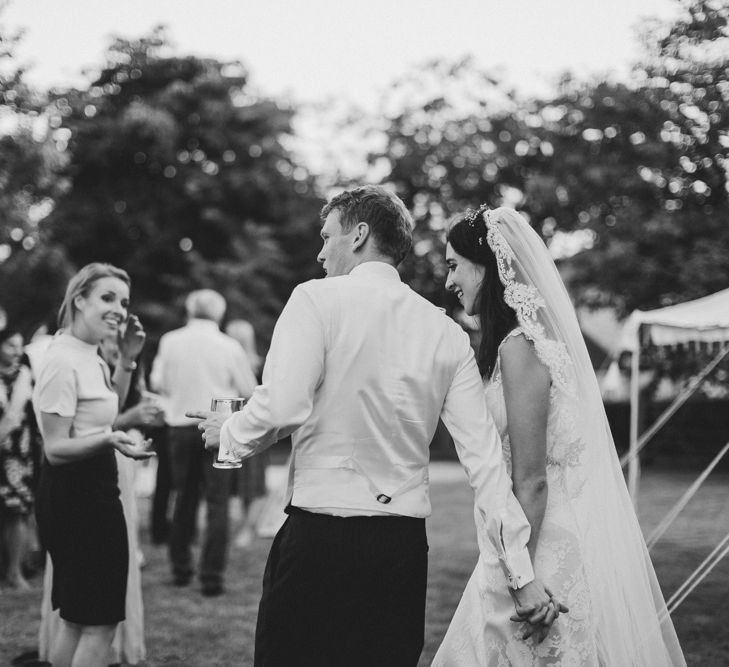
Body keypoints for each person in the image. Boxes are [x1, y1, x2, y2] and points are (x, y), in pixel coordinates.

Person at [190, 185, 560, 667]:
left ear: (359, 234)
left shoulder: (314, 299)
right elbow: (487, 464)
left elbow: (282, 407)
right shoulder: (445, 332)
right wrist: (521, 573)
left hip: (319, 539)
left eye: (327, 237)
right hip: (400, 552)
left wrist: (231, 432)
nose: (320, 252)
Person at [433, 205, 685, 665]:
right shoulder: (534, 343)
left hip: (542, 539)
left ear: (488, 266)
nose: (449, 282)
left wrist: (520, 576)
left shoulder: (520, 348)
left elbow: (531, 478)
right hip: (560, 525)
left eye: (454, 266)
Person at [33, 262, 154, 667]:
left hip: (96, 494)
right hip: (76, 499)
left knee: (79, 620)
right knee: (99, 623)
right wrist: (110, 440)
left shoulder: (91, 355)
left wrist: (128, 361)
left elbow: (108, 410)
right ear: (79, 299)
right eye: (107, 298)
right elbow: (54, 449)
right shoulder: (61, 360)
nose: (119, 308)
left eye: (124, 301)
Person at [150, 289, 257, 596]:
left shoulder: (170, 341)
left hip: (181, 427)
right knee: (218, 501)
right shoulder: (229, 345)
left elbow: (160, 384)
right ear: (219, 314)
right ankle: (211, 577)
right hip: (220, 426)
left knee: (183, 497)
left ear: (189, 309)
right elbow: (249, 388)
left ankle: (181, 568)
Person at [225, 319, 268, 548]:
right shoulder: (230, 362)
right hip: (236, 428)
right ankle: (244, 525)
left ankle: (248, 528)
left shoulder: (259, 367)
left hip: (253, 429)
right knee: (244, 483)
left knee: (253, 483)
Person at [0, 326, 35, 590]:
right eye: (11, 345)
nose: (16, 350)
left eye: (19, 345)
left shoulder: (25, 375)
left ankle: (15, 570)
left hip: (17, 452)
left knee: (18, 510)